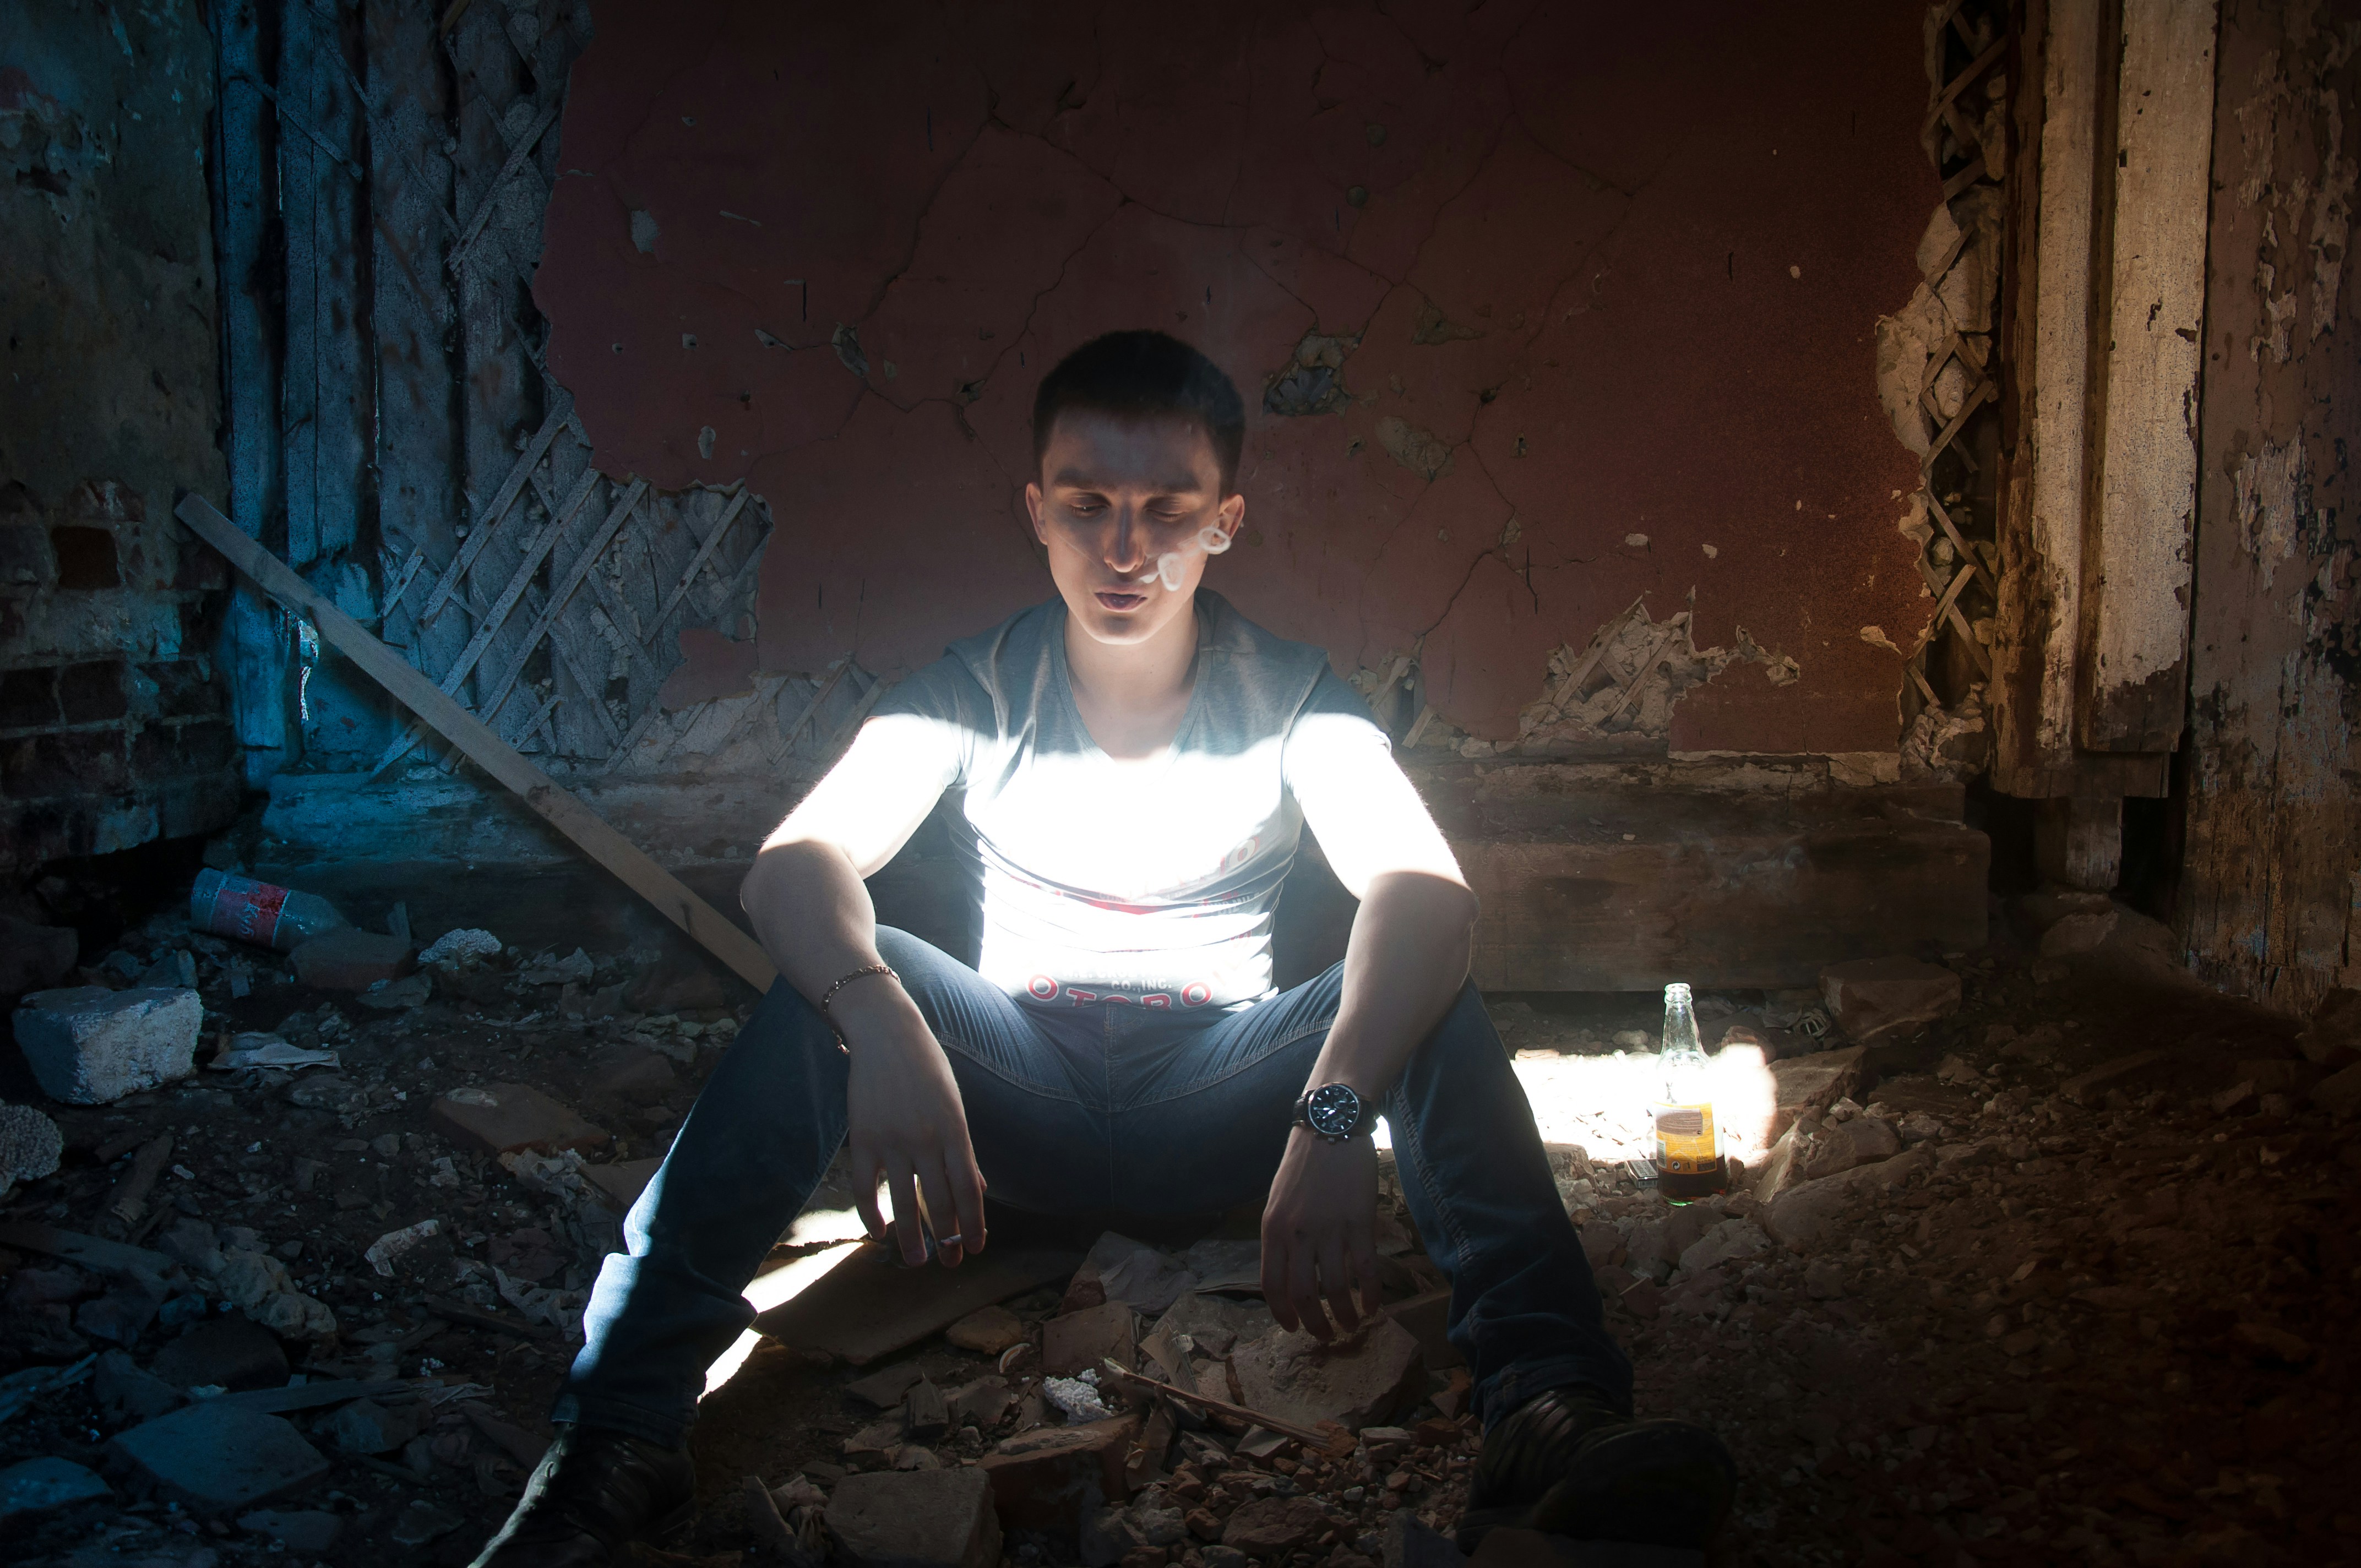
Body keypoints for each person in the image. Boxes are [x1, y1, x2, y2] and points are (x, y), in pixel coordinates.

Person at [471, 331, 1734, 1568]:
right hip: (1021, 1088)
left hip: (1214, 1088)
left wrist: (1335, 1110)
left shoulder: (1291, 695)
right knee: (865, 965)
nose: (1124, 548)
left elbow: (1426, 893)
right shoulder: (971, 687)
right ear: (1035, 510)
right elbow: (792, 865)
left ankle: (1549, 1405)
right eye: (1087, 505)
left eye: (1163, 508)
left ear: (1223, 520)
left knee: (1415, 981)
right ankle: (614, 1437)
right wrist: (886, 1020)